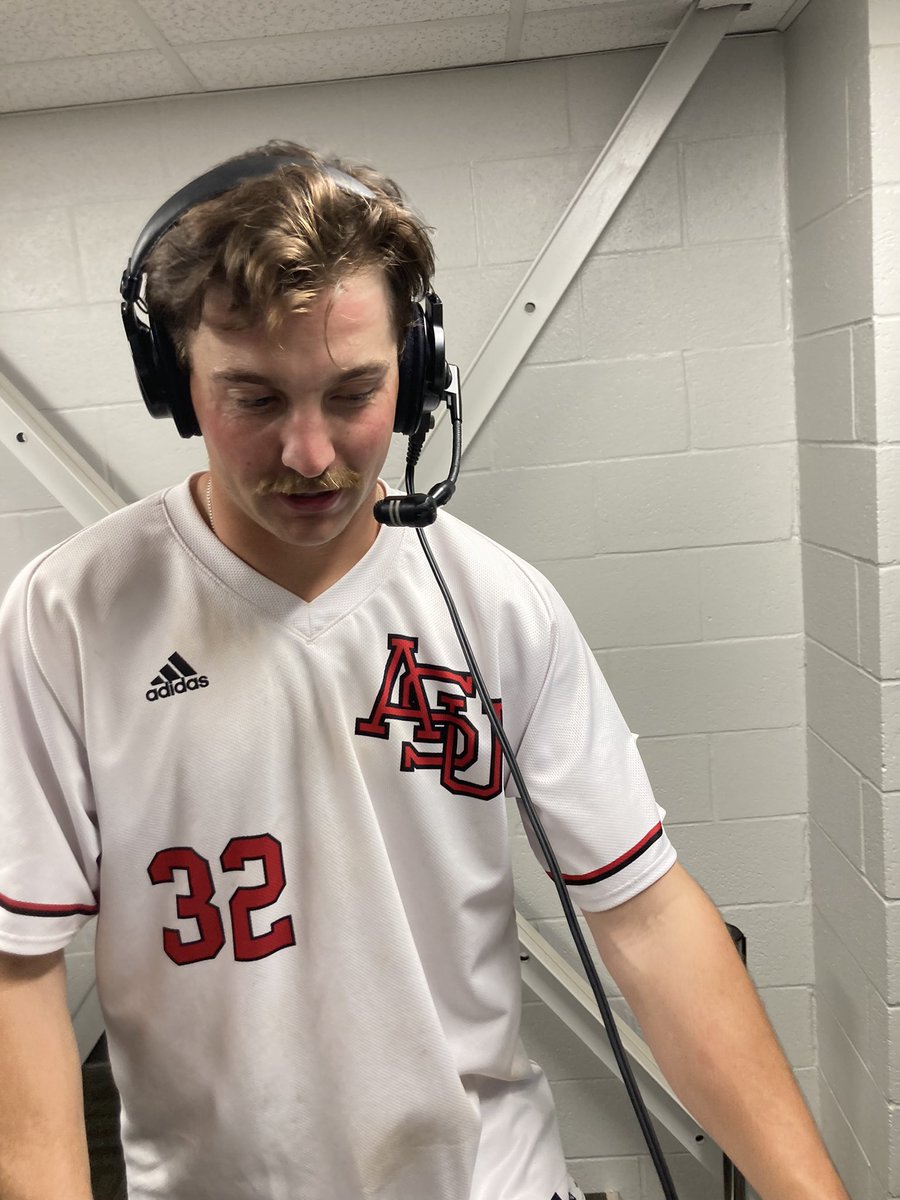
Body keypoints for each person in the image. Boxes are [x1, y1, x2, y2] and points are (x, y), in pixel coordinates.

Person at [0, 140, 847, 1200]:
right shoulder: (65, 617)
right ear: (175, 381)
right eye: (254, 400)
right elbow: (17, 970)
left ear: (416, 376)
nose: (310, 455)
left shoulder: (497, 605)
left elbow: (644, 917)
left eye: (352, 392)